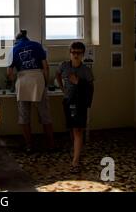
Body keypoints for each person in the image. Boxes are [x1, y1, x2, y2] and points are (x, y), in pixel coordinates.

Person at [7, 30, 55, 154]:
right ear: (27, 37)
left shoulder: (13, 49)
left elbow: (9, 73)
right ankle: (50, 144)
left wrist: (13, 83)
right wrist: (45, 83)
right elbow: (46, 67)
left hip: (22, 81)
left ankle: (29, 145)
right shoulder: (37, 45)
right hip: (37, 79)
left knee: (24, 116)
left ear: (16, 40)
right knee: (45, 114)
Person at [55, 42, 94, 173]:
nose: (75, 55)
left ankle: (75, 162)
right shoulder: (64, 66)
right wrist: (62, 88)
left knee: (78, 130)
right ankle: (77, 151)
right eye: (73, 52)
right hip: (68, 101)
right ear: (70, 53)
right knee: (72, 128)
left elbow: (90, 88)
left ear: (83, 54)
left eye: (78, 53)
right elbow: (57, 74)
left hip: (81, 103)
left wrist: (79, 82)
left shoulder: (86, 70)